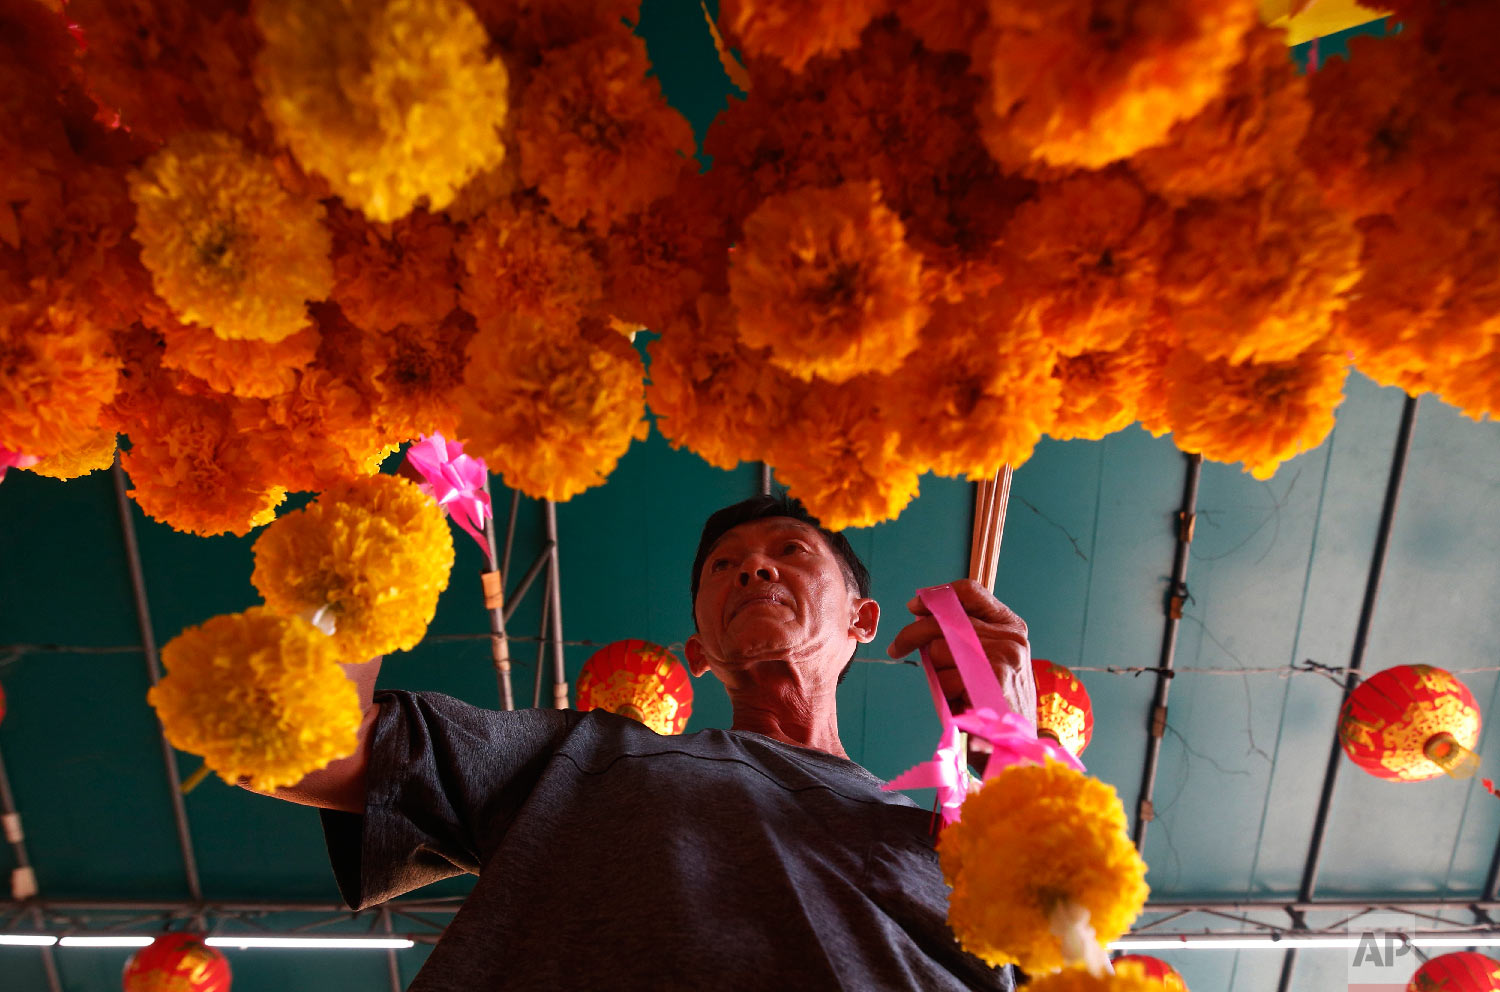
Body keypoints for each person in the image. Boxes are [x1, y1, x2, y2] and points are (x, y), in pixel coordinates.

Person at [258, 493, 1037, 990]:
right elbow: (311, 748)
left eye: (790, 552)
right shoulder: (583, 758)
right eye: (725, 566)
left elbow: (1048, 958)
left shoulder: (949, 838)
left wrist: (1016, 756)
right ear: (697, 649)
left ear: (862, 621)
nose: (755, 569)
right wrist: (355, 577)